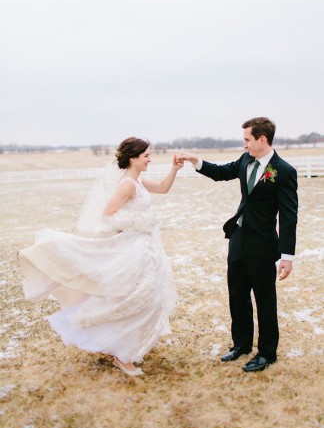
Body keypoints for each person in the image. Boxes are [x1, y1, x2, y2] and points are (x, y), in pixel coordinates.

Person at [19, 137, 183, 376]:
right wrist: (139, 222)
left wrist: (174, 169)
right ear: (134, 158)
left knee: (148, 298)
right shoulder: (126, 184)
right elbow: (108, 213)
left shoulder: (136, 182)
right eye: (146, 155)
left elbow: (162, 188)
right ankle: (123, 354)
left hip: (149, 248)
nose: (150, 159)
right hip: (136, 246)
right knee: (134, 300)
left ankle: (121, 346)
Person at [176, 118, 298, 372]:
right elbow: (221, 173)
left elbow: (288, 217)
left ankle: (266, 353)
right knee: (237, 295)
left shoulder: (284, 171)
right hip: (238, 239)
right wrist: (194, 160)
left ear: (262, 139)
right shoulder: (245, 161)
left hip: (263, 245)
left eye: (247, 140)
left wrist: (287, 255)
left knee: (265, 300)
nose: (244, 145)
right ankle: (241, 345)